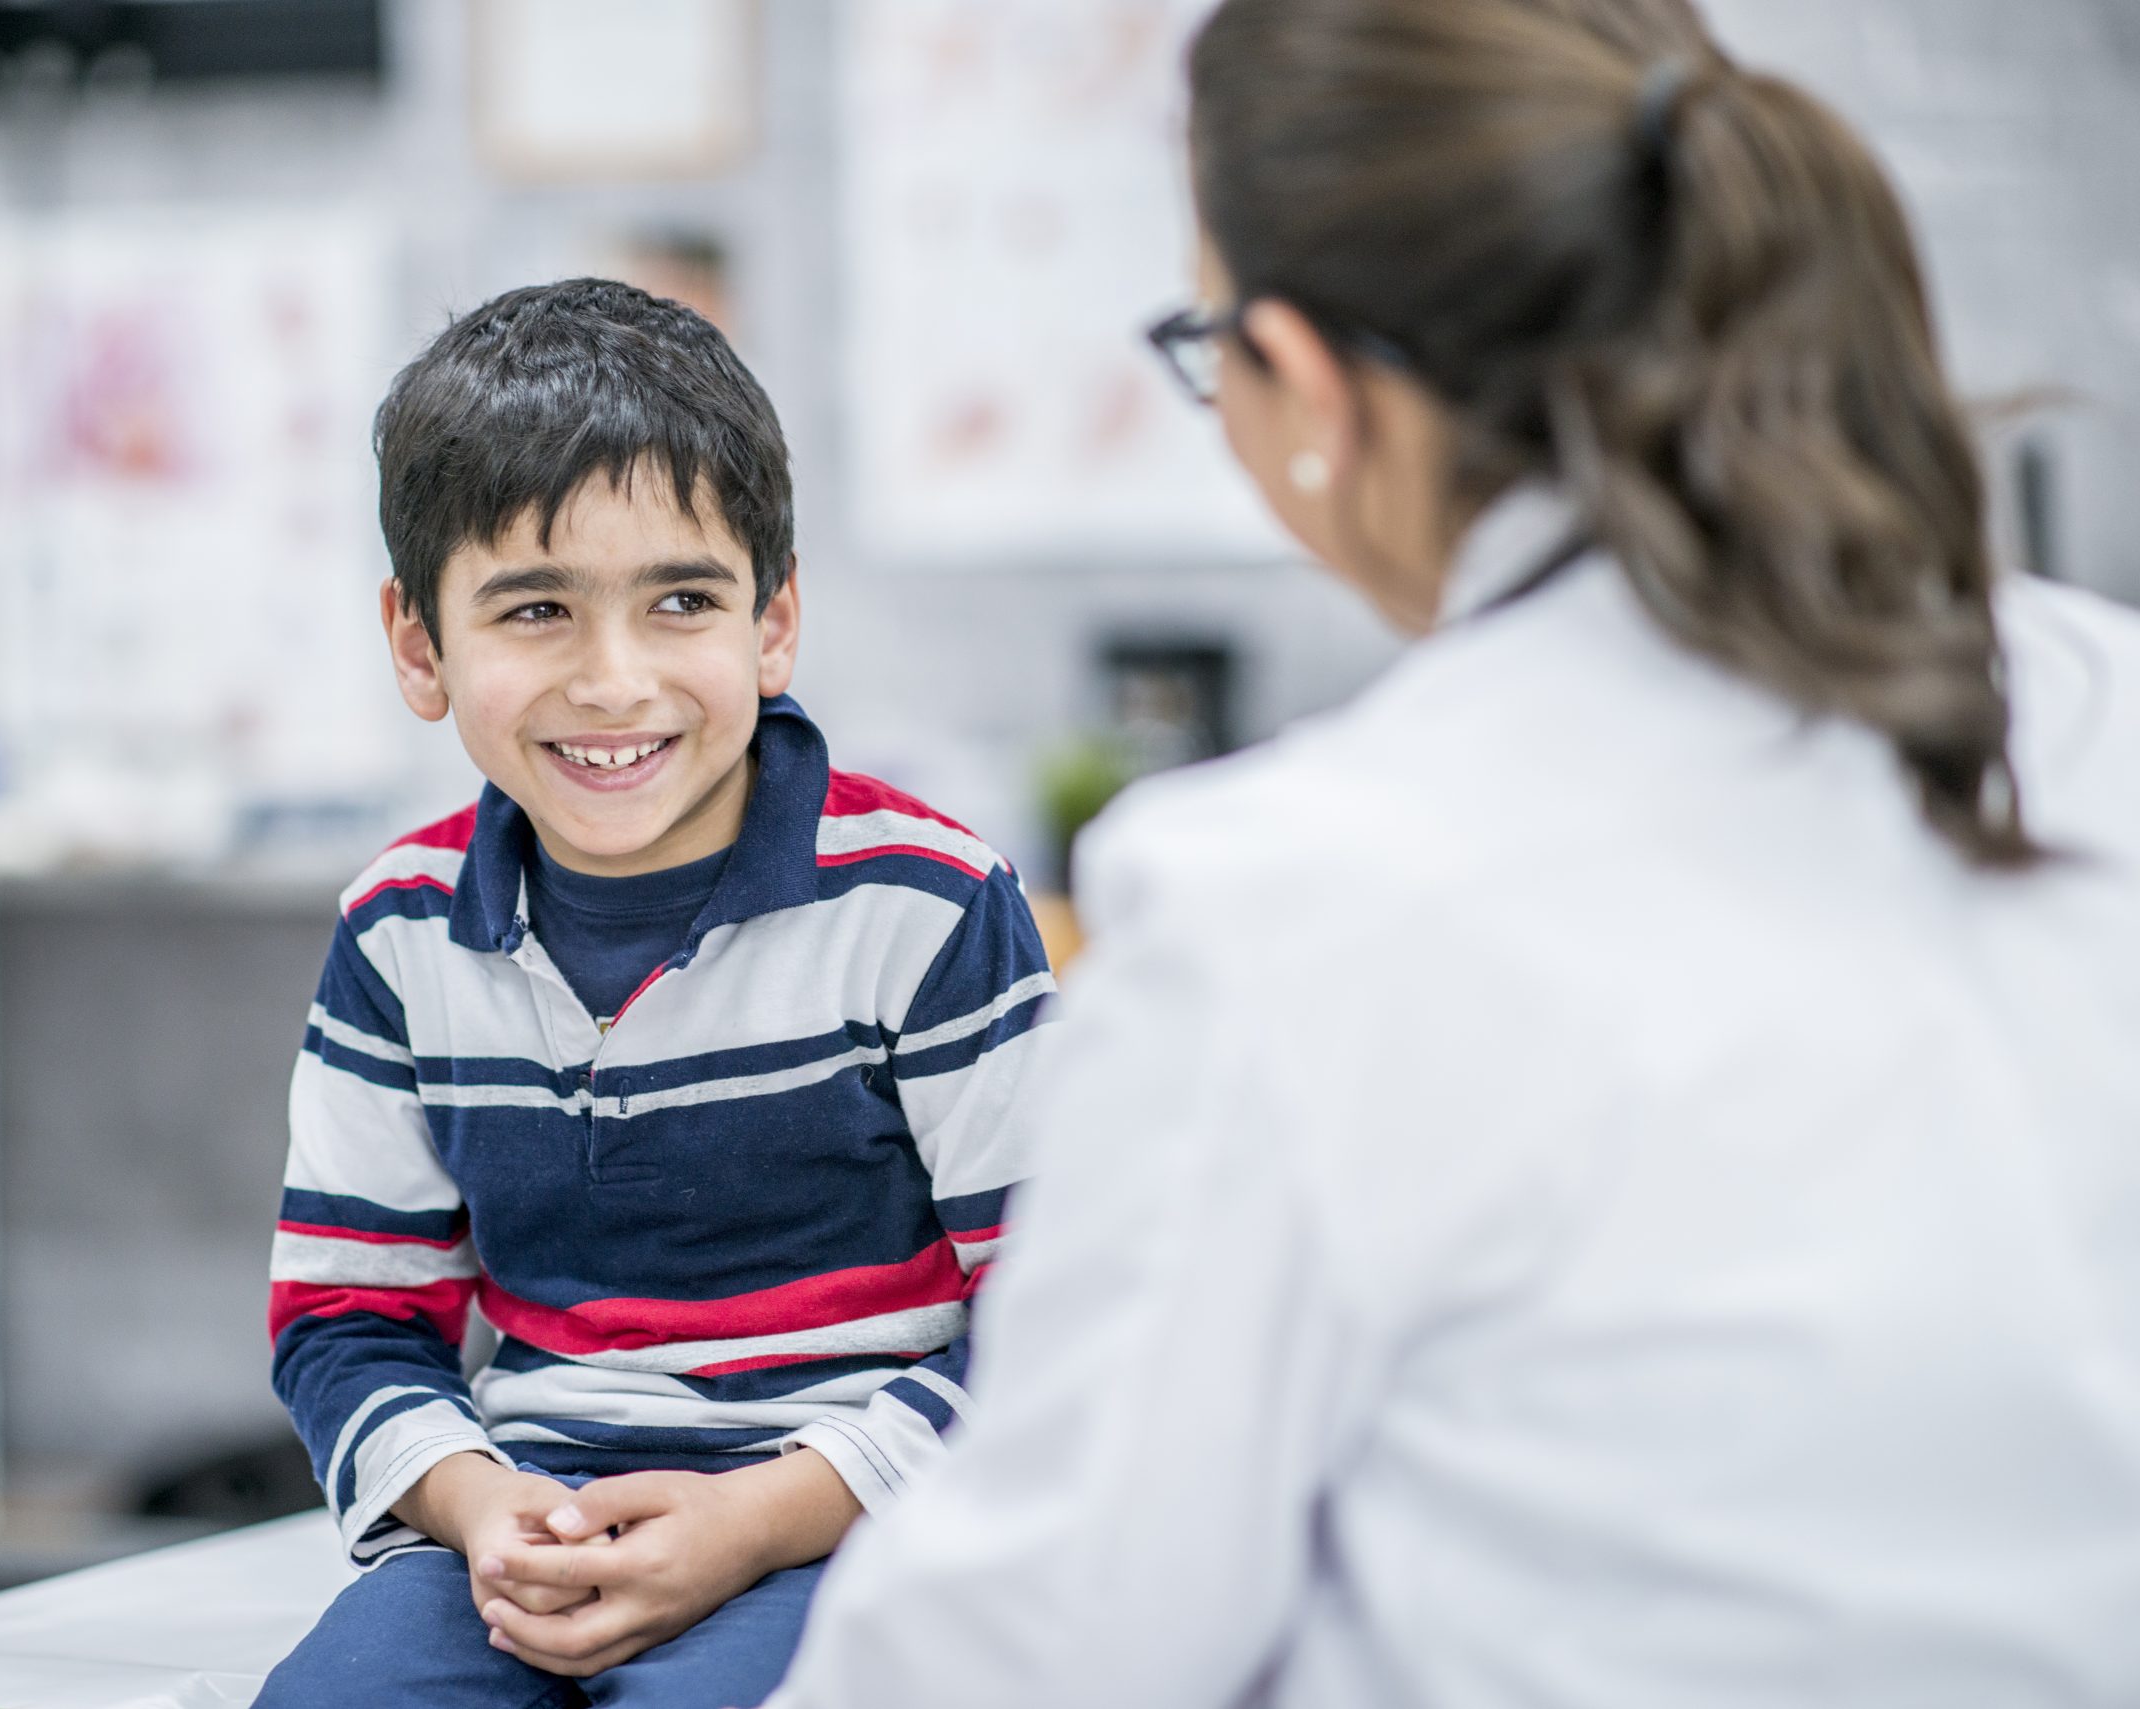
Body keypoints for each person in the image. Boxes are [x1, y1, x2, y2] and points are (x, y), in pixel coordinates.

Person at [764, 0, 2140, 1704]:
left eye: (1212, 353)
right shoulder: (2104, 701)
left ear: (1314, 382)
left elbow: (1028, 1655)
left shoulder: (1290, 902)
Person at [256, 280, 1053, 1708]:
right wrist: (479, 1506)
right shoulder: (398, 933)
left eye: (681, 599)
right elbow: (347, 1314)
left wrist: (761, 1516)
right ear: (419, 645)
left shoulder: (924, 906)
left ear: (774, 619)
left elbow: (1062, 1311)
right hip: (537, 1515)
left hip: (857, 1517)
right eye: (537, 609)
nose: (614, 681)